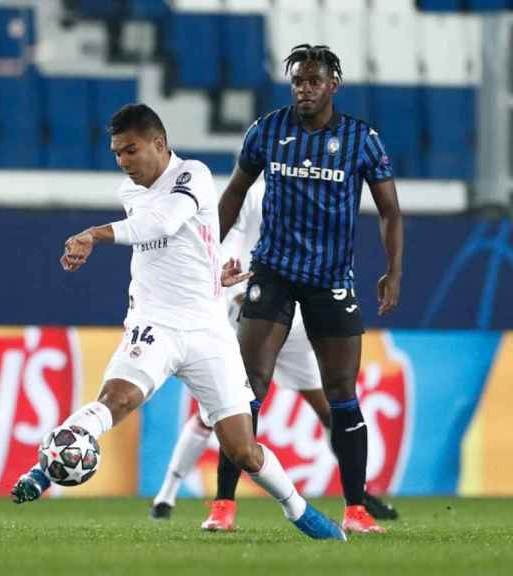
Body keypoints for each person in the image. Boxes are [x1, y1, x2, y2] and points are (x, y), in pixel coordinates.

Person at [8, 104, 345, 541]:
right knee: (118, 399)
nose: (123, 162)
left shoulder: (194, 175)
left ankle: (298, 511)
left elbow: (166, 222)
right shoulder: (130, 193)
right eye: (116, 153)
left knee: (243, 450)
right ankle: (43, 469)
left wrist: (94, 234)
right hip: (155, 325)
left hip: (208, 332)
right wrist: (210, 271)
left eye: (131, 150)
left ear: (159, 144)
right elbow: (168, 238)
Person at [216, 44, 404, 534]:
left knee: (342, 393)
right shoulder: (268, 129)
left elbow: (389, 211)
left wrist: (393, 270)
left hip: (329, 281)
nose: (304, 88)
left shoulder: (362, 140)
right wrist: (206, 253)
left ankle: (357, 510)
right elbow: (235, 191)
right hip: (273, 274)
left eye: (313, 80)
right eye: (298, 80)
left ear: (332, 85)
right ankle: (223, 506)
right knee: (246, 388)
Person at [149, 185, 399, 529]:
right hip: (253, 310)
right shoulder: (257, 186)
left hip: (296, 321)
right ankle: (183, 497)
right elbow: (228, 235)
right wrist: (235, 292)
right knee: (223, 411)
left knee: (330, 408)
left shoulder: (318, 180)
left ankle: (358, 496)